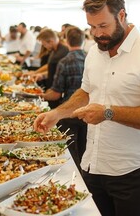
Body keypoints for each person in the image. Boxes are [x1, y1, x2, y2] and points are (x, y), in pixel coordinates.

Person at [33, 0, 140, 216]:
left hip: (132, 173)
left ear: (121, 15)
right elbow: (86, 92)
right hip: (93, 165)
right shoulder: (94, 52)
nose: (97, 34)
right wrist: (57, 114)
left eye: (103, 26)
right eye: (92, 27)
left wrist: (108, 112)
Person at [41, 26, 87, 171]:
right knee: (85, 151)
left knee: (70, 153)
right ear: (83, 40)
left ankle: (73, 179)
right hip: (88, 112)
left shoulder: (64, 61)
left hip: (69, 112)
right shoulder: (90, 58)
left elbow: (55, 93)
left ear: (66, 40)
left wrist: (39, 95)